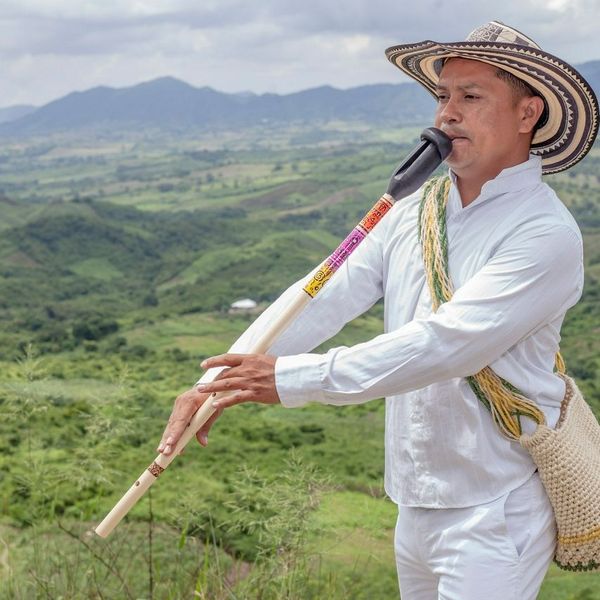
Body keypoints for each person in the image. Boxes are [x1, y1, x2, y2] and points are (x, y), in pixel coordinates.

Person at [158, 21, 598, 600]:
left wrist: (287, 379)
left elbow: (446, 344)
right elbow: (325, 293)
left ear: (528, 114)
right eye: (443, 96)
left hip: (495, 509)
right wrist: (219, 380)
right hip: (413, 503)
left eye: (471, 97)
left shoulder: (545, 235)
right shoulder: (412, 207)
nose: (447, 114)